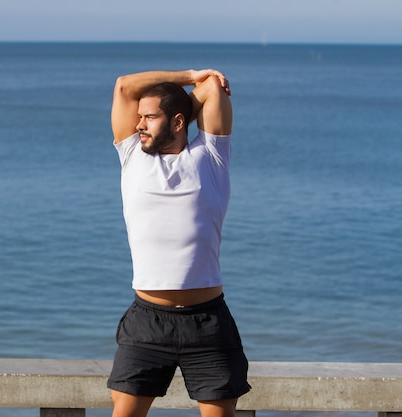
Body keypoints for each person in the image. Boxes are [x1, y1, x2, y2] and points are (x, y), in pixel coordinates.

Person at [107, 69, 251, 417]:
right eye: (139, 117)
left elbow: (212, 87)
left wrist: (189, 94)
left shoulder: (211, 157)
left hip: (207, 323)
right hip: (148, 322)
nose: (139, 124)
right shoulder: (131, 157)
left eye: (150, 117)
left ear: (177, 122)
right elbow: (124, 86)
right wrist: (189, 76)